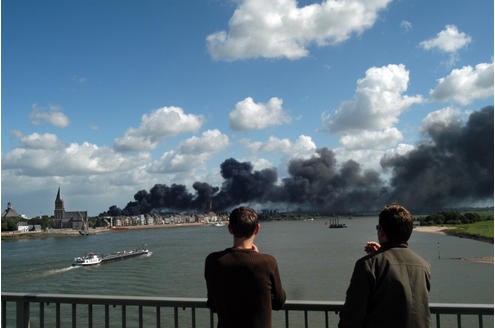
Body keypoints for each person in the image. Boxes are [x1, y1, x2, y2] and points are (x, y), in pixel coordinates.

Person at [338, 204, 431, 328]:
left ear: (381, 231)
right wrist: (380, 253)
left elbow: (352, 315)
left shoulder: (367, 264)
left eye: (378, 227)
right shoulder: (423, 265)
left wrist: (377, 257)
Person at [204, 207, 286, 328]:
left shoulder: (213, 261)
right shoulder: (268, 262)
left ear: (230, 229)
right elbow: (279, 302)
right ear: (257, 229)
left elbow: (212, 303)